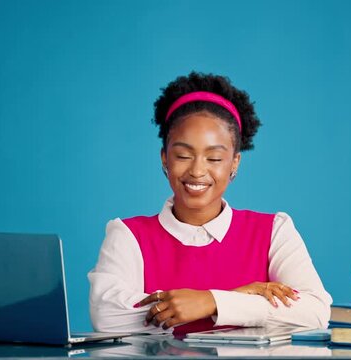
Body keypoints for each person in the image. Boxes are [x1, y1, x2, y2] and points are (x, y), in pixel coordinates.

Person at [88, 72, 332, 335]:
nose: (197, 171)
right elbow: (107, 316)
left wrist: (212, 302)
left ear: (234, 163)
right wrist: (235, 299)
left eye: (214, 158)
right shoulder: (128, 236)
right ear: (164, 159)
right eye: (183, 155)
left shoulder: (273, 231)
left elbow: (315, 311)